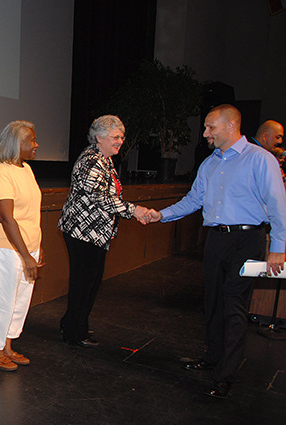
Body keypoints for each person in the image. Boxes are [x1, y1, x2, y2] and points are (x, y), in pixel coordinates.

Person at [147, 104, 286, 398]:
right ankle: (212, 356)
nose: (206, 132)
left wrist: (279, 248)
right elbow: (193, 200)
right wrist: (161, 214)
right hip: (216, 240)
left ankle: (226, 374)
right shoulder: (210, 163)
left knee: (234, 305)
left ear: (231, 126)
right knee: (212, 301)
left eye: (211, 127)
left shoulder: (260, 160)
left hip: (247, 240)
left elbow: (277, 204)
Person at [58, 115, 149, 349]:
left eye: (122, 137)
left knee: (91, 280)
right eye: (115, 137)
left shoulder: (105, 159)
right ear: (99, 137)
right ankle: (73, 332)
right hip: (82, 231)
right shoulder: (91, 160)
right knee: (84, 281)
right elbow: (100, 198)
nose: (120, 141)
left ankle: (72, 322)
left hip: (95, 233)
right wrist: (134, 210)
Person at [0, 120, 43, 371]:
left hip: (27, 245)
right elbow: (6, 218)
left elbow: (31, 214)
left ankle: (7, 345)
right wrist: (26, 255)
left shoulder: (26, 169)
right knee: (2, 299)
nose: (36, 144)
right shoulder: (1, 172)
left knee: (19, 300)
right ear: (16, 143)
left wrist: (37, 247)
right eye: (31, 140)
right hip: (4, 247)